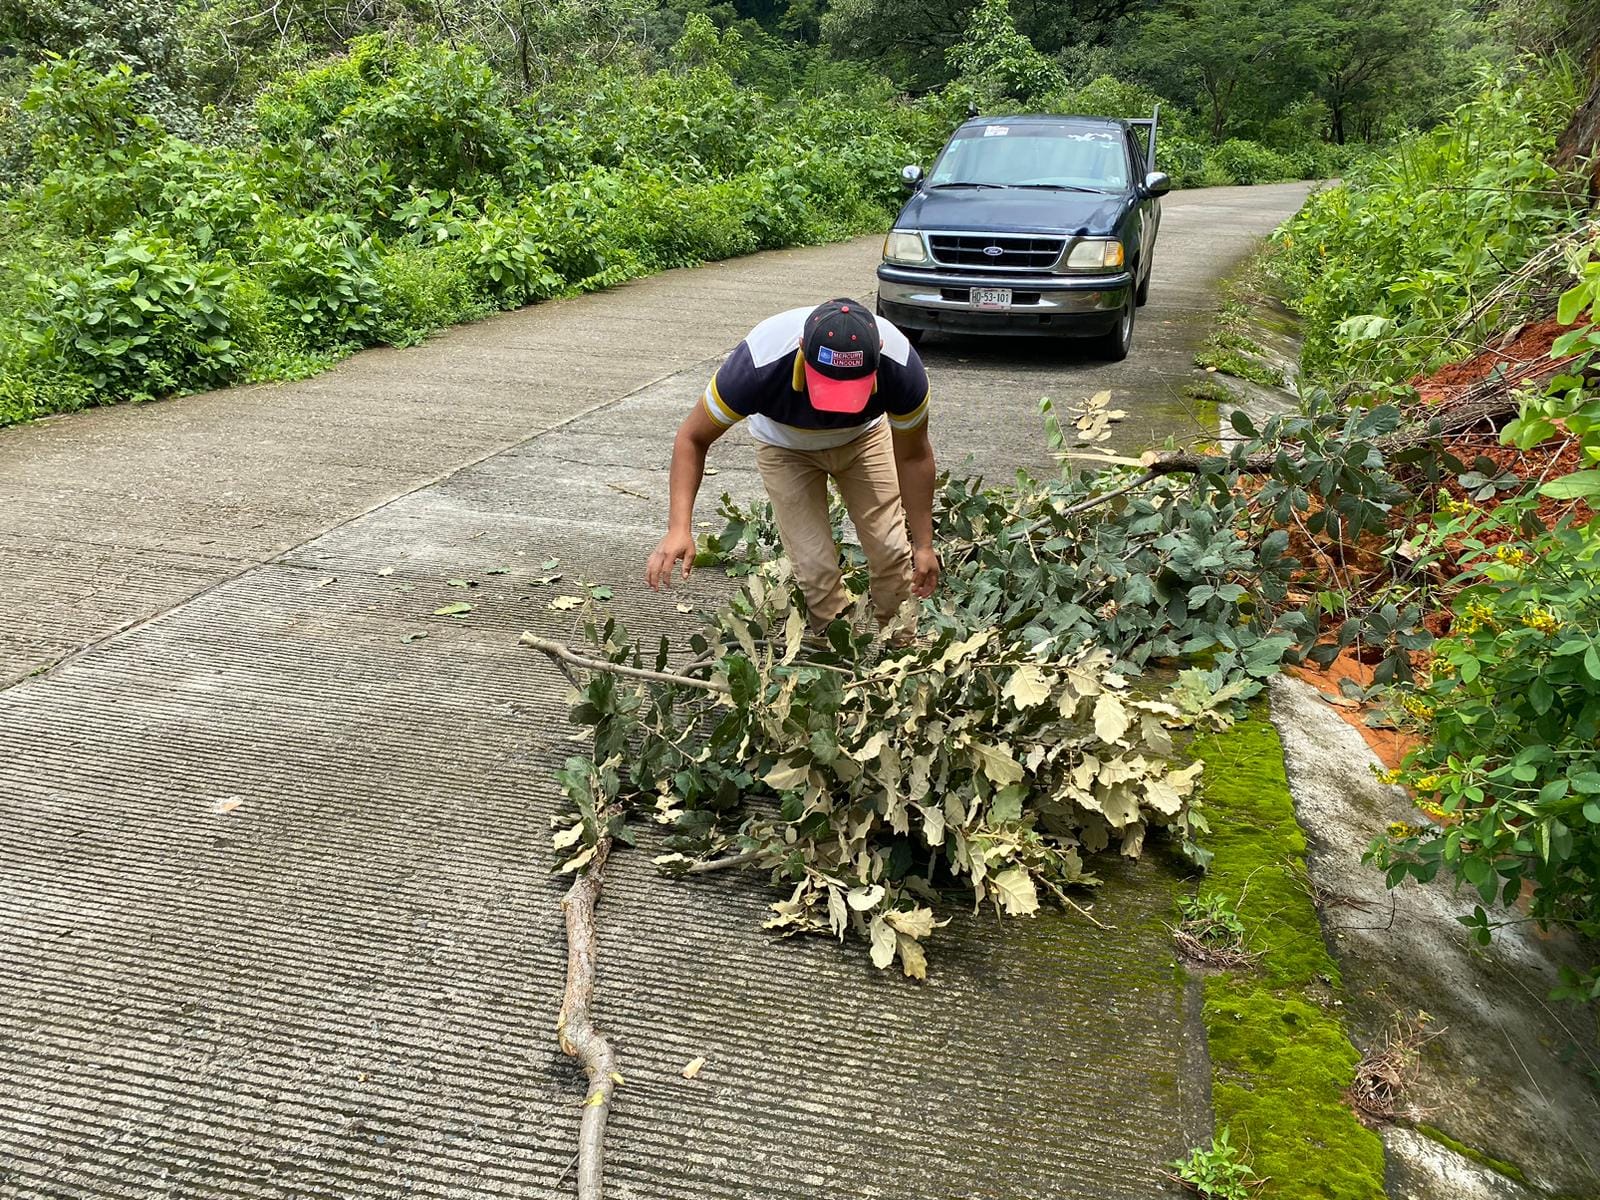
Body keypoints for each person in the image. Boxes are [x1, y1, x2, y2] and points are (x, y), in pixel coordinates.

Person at [645, 298, 939, 639]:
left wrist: (924, 546)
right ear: (801, 348)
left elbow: (914, 457)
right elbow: (692, 438)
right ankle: (837, 654)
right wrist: (678, 527)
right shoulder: (757, 365)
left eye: (849, 391)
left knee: (890, 550)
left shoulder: (901, 368)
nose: (837, 408)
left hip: (863, 440)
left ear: (879, 355)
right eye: (828, 387)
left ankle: (901, 648)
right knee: (814, 567)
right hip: (785, 448)